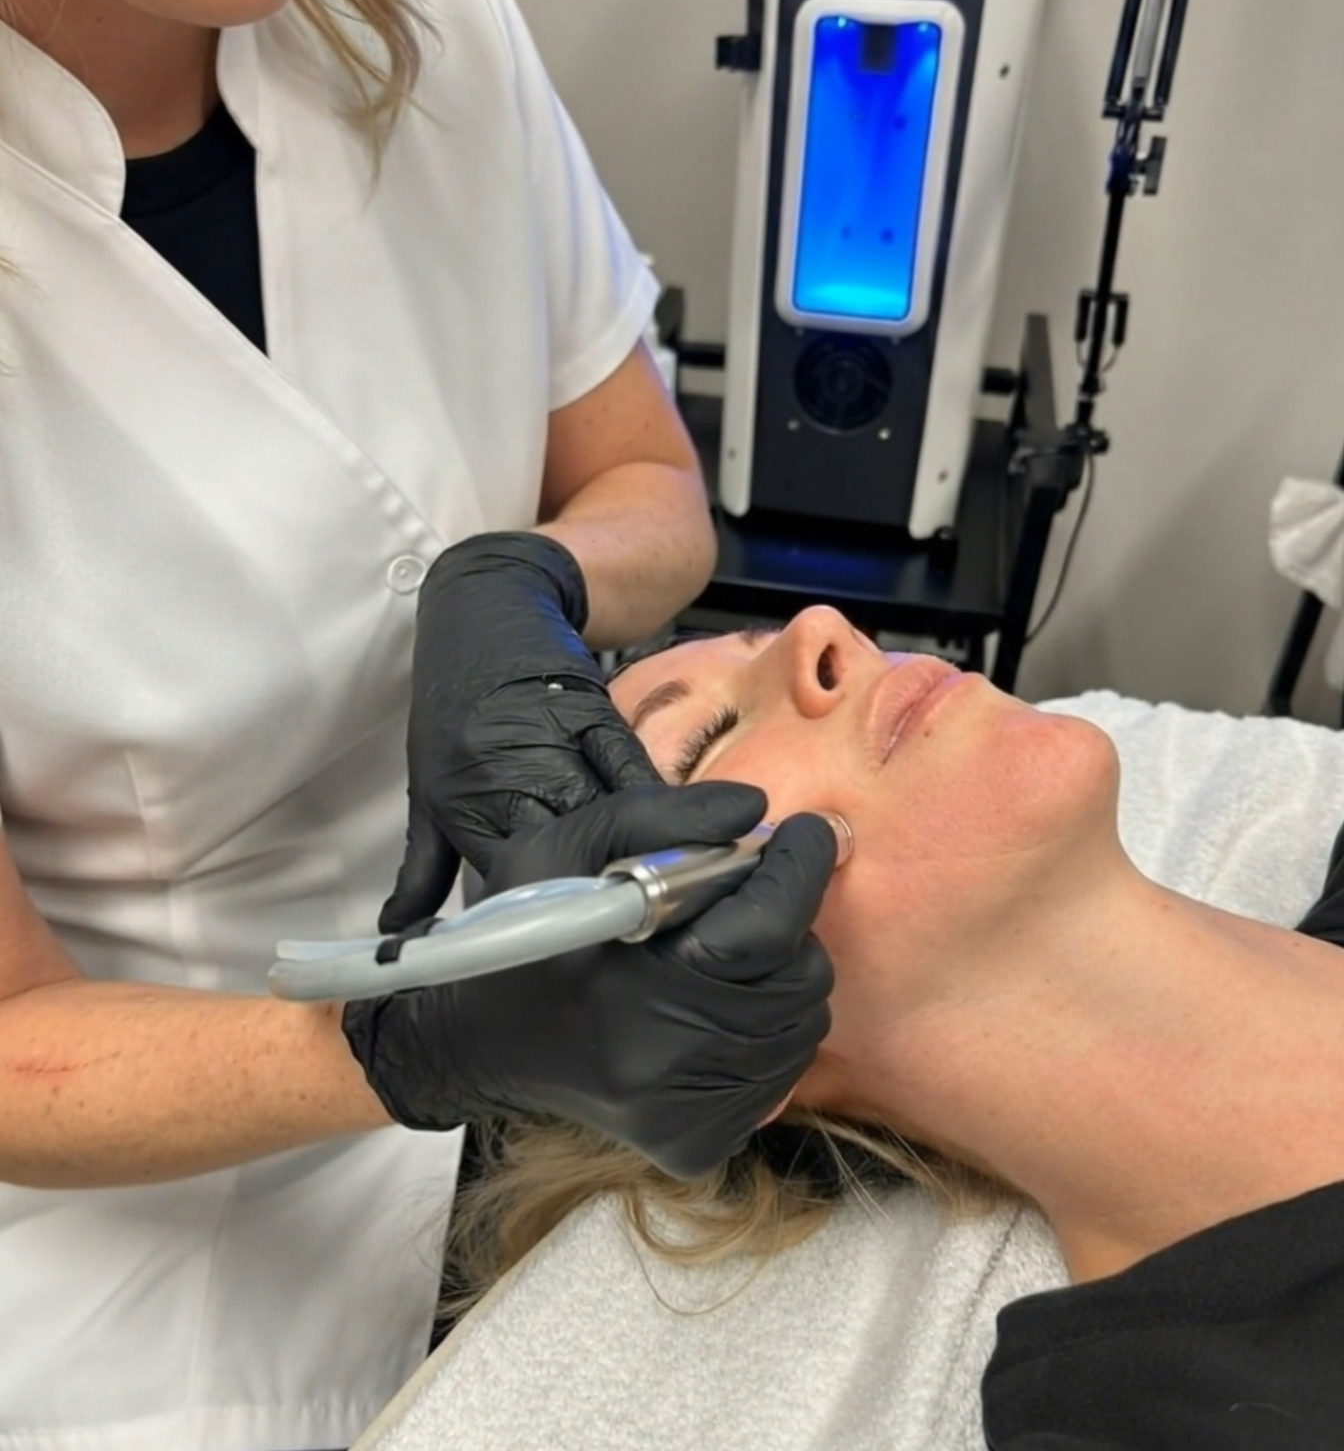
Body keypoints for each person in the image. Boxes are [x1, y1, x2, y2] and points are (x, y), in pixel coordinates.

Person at [0, 0, 835, 1450]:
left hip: (564, 1047)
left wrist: (524, 578)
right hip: (155, 1200)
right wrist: (420, 1040)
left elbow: (647, 482)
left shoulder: (422, 5)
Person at [443, 606, 1344, 1450]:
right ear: (721, 1043)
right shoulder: (1163, 1412)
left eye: (760, 639)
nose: (822, 626)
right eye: (704, 738)